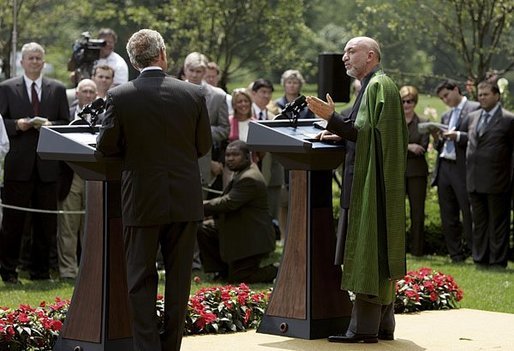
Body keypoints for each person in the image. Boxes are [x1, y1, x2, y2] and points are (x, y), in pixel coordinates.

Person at [96, 29, 212, 351]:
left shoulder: (120, 96)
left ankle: (147, 347)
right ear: (163, 54)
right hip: (184, 199)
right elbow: (203, 146)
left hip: (142, 199)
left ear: (133, 62)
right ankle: (171, 346)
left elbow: (106, 146)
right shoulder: (194, 94)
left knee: (140, 279)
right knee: (178, 280)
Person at [306, 36, 408, 343]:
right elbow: (366, 134)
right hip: (368, 182)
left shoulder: (378, 86)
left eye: (352, 52)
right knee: (377, 250)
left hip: (369, 188)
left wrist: (331, 118)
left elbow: (362, 132)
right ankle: (383, 325)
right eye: (345, 52)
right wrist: (340, 132)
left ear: (371, 56)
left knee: (369, 251)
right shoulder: (375, 85)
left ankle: (363, 329)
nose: (344, 58)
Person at [0, 42, 70, 284]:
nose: (35, 62)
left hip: (47, 167)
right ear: (22, 61)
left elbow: (65, 123)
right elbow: (1, 123)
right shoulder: (7, 89)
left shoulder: (57, 89)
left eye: (39, 58)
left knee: (45, 224)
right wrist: (16, 125)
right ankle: (8, 271)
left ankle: (40, 272)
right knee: (13, 223)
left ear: (44, 61)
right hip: (18, 166)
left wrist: (52, 126)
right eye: (30, 58)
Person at [197, 140, 277, 283]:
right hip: (240, 230)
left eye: (235, 155)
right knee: (204, 229)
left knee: (241, 278)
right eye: (227, 155)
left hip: (252, 238)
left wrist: (198, 206)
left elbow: (229, 203)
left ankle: (276, 270)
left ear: (247, 156)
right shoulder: (243, 172)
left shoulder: (249, 178)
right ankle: (222, 270)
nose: (230, 158)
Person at [466, 80, 514, 269]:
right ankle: (480, 259)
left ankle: (497, 261)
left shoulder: (508, 120)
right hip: (474, 179)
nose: (482, 98)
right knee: (479, 223)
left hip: (498, 180)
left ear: (497, 95)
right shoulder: (473, 117)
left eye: (486, 94)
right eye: (479, 95)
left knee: (498, 223)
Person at [432, 79, 479, 262]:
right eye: (442, 98)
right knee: (448, 212)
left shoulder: (474, 109)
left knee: (467, 212)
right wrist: (437, 138)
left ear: (457, 90)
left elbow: (477, 136)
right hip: (444, 166)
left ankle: (475, 252)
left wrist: (457, 135)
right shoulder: (446, 115)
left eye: (446, 95)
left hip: (462, 168)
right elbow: (440, 146)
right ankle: (455, 254)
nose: (445, 100)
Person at [57, 79, 98, 280]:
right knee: (68, 224)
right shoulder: (66, 115)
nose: (88, 95)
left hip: (95, 175)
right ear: (77, 94)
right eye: (84, 91)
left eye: (92, 92)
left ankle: (90, 269)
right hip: (71, 175)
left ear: (97, 95)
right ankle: (68, 271)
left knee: (91, 226)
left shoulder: (105, 116)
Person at [183, 52, 229, 194]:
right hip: (174, 160)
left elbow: (224, 129)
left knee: (198, 208)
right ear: (185, 70)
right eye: (191, 70)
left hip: (202, 162)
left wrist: (201, 131)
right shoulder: (170, 91)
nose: (195, 75)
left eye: (199, 71)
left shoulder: (218, 96)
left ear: (204, 72)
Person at [400, 85, 429, 256]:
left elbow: (423, 148)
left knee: (417, 212)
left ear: (415, 102)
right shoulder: (394, 122)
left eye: (409, 101)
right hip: (398, 172)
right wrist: (409, 146)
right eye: (403, 101)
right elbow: (389, 145)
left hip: (417, 173)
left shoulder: (423, 122)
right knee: (397, 213)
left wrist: (403, 148)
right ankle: (399, 249)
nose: (406, 104)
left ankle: (417, 250)